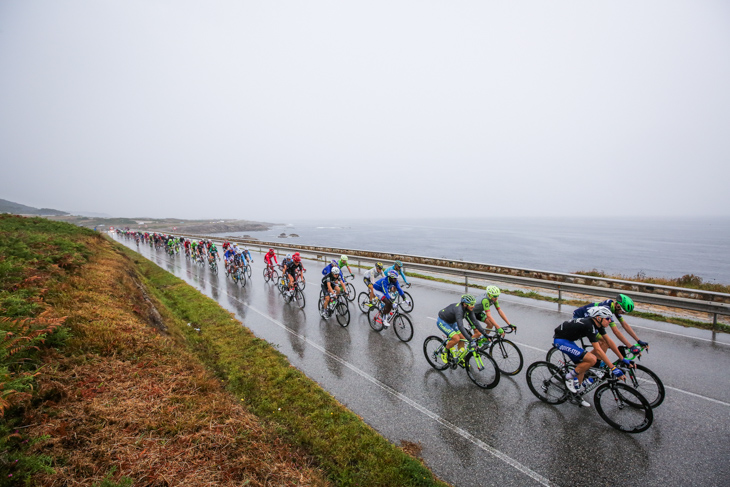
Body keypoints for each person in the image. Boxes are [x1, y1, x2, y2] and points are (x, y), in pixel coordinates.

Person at [553, 306, 630, 407]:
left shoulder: (598, 324)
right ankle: (568, 377)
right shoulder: (589, 325)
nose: (610, 321)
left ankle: (575, 394)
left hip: (569, 340)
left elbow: (608, 342)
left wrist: (622, 358)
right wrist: (613, 367)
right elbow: (598, 350)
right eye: (607, 318)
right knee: (591, 359)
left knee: (582, 366)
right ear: (598, 318)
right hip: (561, 340)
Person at [573, 294, 647, 355]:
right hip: (580, 319)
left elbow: (625, 325)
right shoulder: (607, 309)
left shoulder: (613, 307)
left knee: (605, 343)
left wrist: (638, 340)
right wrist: (630, 346)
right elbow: (616, 331)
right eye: (623, 312)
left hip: (590, 320)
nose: (623, 314)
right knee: (605, 342)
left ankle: (591, 362)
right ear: (618, 306)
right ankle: (590, 362)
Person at [436, 294, 484, 363]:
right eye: (471, 304)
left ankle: (459, 356)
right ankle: (444, 351)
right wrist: (471, 340)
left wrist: (485, 334)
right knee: (456, 338)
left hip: (452, 322)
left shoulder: (468, 309)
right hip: (443, 321)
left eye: (473, 304)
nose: (473, 306)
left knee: (462, 338)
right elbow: (461, 327)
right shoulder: (459, 311)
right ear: (465, 304)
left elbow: (475, 322)